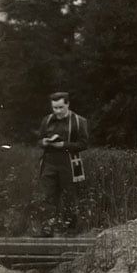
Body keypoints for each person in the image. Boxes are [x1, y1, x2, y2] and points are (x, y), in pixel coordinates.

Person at [35, 92, 90, 236]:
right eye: (54, 108)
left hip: (69, 163)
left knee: (70, 196)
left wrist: (64, 145)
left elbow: (84, 144)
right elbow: (39, 140)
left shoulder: (79, 121)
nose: (57, 111)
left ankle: (71, 229)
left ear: (67, 104)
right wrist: (45, 142)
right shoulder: (47, 120)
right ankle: (48, 228)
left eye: (60, 107)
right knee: (47, 195)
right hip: (49, 163)